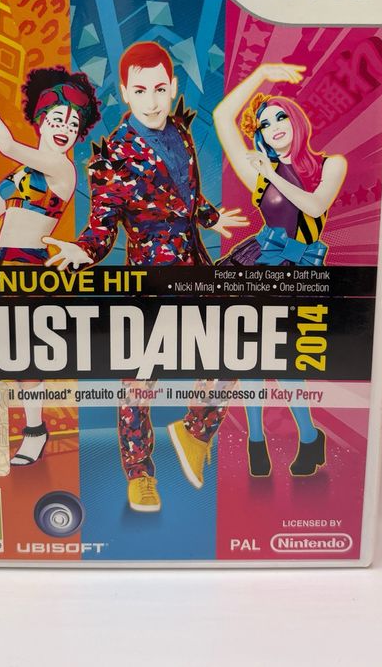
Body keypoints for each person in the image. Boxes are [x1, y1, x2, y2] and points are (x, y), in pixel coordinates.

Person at [43, 41, 251, 512]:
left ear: (172, 86)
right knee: (139, 380)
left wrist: (210, 217)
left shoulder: (180, 131)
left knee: (233, 350)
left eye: (160, 88)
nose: (152, 101)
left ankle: (194, 432)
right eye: (140, 91)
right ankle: (139, 474)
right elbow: (102, 225)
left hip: (196, 269)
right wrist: (83, 250)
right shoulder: (114, 155)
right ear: (124, 92)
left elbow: (187, 194)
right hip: (150, 283)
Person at [0, 54, 100, 466]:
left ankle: (35, 430)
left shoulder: (61, 170)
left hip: (29, 269)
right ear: (41, 119)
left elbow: (6, 144)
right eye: (58, 119)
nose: (65, 129)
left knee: (25, 355)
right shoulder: (19, 175)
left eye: (74, 124)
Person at [212, 61, 347, 477]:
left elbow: (315, 206)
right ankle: (256, 441)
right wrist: (262, 73)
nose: (273, 127)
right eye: (265, 124)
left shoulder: (331, 164)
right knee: (250, 355)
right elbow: (222, 117)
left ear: (296, 119)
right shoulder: (261, 172)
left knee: (283, 359)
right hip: (259, 259)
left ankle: (308, 436)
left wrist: (272, 172)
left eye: (280, 117)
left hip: (299, 265)